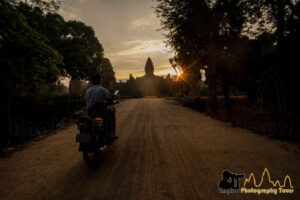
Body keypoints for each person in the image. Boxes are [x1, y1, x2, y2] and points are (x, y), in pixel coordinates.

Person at [84, 74, 117, 140]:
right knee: (111, 112)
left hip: (90, 112)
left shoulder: (88, 91)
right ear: (100, 81)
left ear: (91, 82)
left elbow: (84, 100)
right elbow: (109, 99)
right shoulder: (103, 90)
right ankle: (111, 134)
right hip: (100, 111)